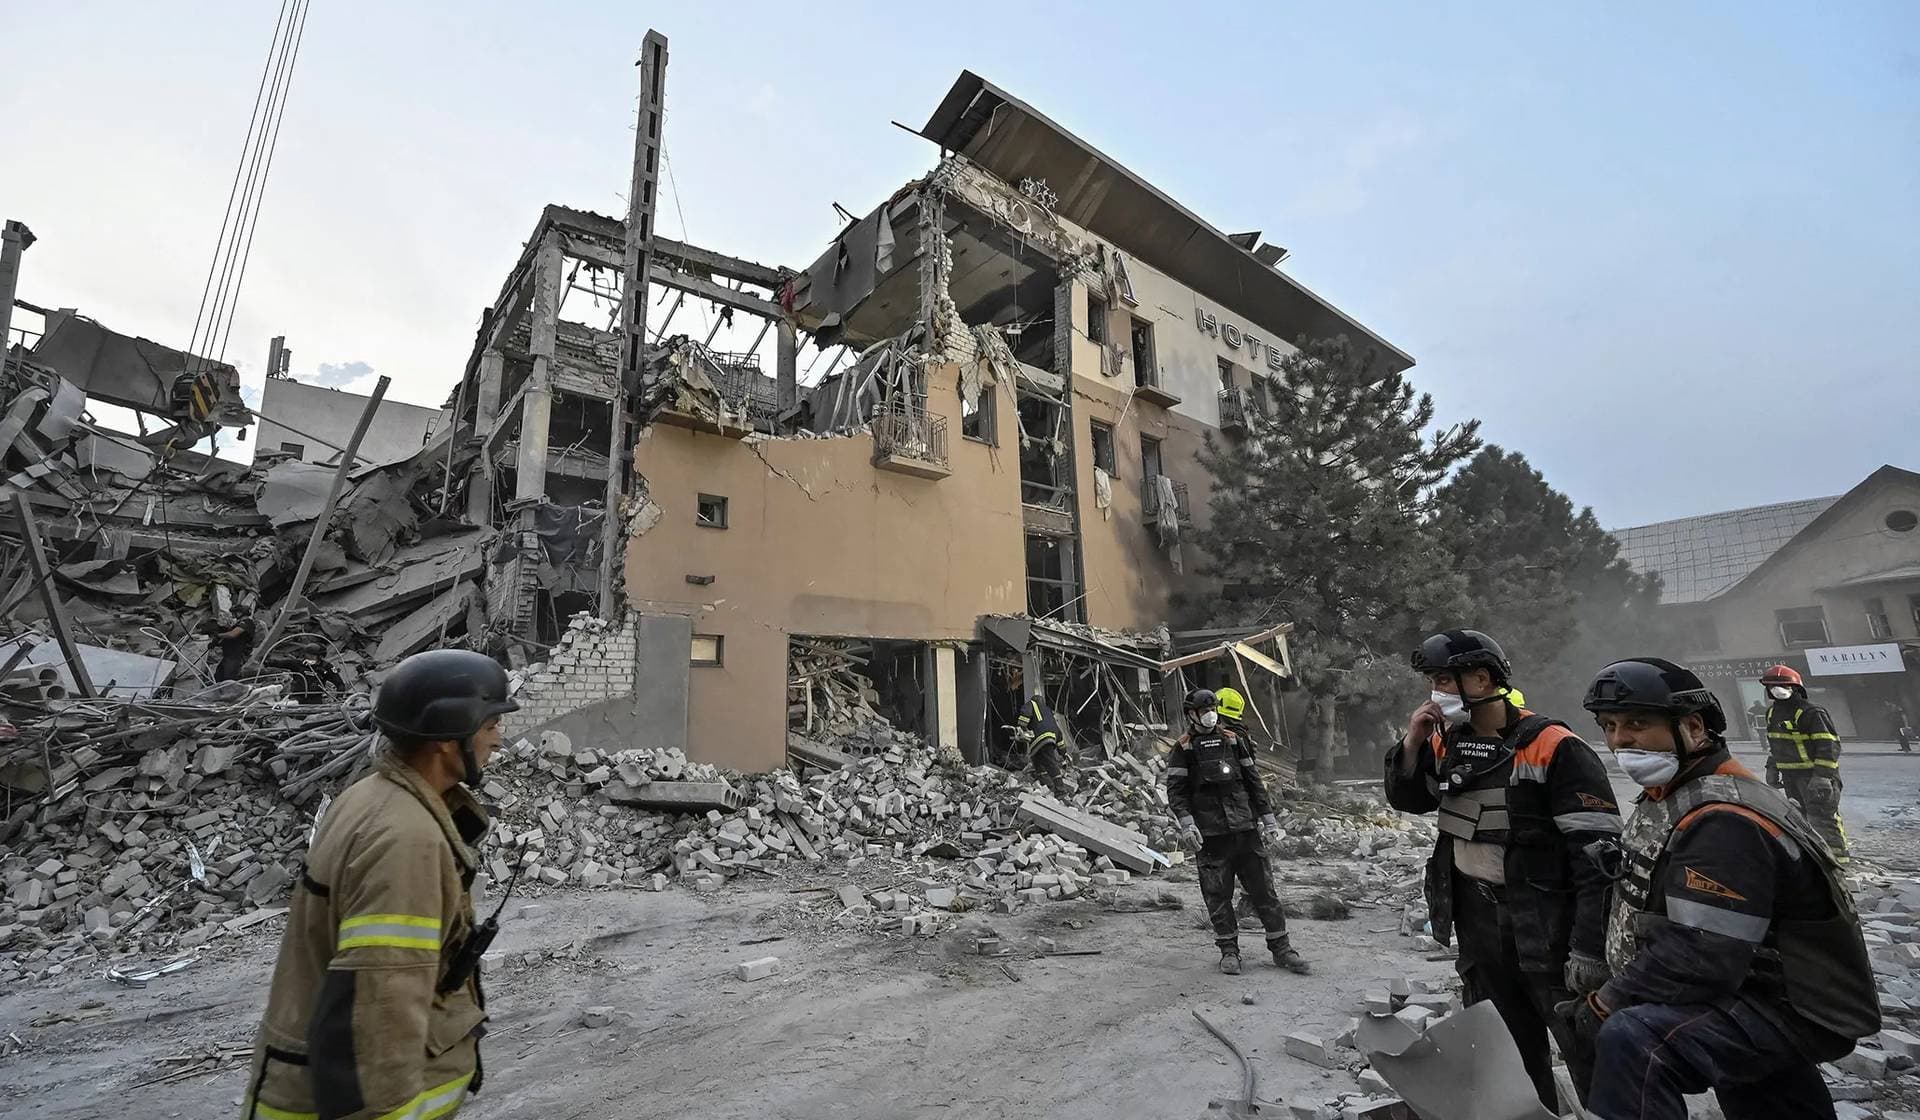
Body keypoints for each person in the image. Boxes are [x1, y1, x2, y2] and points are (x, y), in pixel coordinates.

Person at [1570, 658, 1880, 1120]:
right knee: (1770, 1099)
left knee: (1634, 1038)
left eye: (1637, 723)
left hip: (1781, 1003)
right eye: (1610, 725)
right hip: (1752, 985)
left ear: (1693, 727)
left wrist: (1607, 1001)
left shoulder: (1724, 819)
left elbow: (1701, 955)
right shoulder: (1680, 793)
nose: (1619, 740)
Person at [243, 649, 518, 1120]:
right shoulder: (403, 840)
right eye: (490, 724)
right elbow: (379, 1005)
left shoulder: (372, 797)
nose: (499, 736)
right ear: (448, 738)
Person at [1383, 629, 1620, 1110]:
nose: (1437, 693)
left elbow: (1598, 859)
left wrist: (1589, 948)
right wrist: (1411, 742)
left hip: (1546, 922)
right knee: (1504, 1050)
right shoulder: (1446, 741)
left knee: (1585, 1045)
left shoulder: (1554, 745)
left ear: (1482, 678)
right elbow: (1410, 799)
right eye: (1433, 681)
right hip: (1478, 918)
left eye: (1446, 681)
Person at [1166, 687, 1309, 976]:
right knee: (1217, 896)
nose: (1209, 715)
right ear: (1192, 715)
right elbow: (1176, 792)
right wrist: (1187, 823)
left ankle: (1282, 950)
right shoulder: (1183, 749)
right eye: (1203, 711)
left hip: (1245, 830)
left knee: (1264, 892)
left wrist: (1268, 819)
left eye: (1212, 709)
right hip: (1211, 837)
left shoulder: (1233, 741)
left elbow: (1253, 781)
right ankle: (1229, 952)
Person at [1760, 665, 1849, 861]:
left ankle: (1838, 863)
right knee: (1800, 819)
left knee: (1823, 819)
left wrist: (1822, 777)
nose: (1778, 690)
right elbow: (1775, 744)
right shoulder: (1772, 713)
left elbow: (1828, 745)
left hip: (1814, 777)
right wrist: (1772, 768)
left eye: (1783, 686)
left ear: (1796, 687)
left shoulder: (1811, 712)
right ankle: (1814, 859)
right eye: (1773, 687)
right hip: (1791, 778)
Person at [1015, 688, 1071, 795]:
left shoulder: (1032, 704)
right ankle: (1047, 786)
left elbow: (1025, 714)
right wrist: (1063, 753)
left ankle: (1060, 789)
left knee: (1050, 763)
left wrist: (1021, 727)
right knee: (1038, 762)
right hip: (1049, 739)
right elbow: (1059, 736)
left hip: (1039, 739)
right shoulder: (1049, 713)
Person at [208, 613, 258, 682]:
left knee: (228, 680)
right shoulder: (237, 624)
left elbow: (232, 634)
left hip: (236, 657)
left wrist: (218, 635)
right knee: (218, 678)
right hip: (228, 657)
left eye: (235, 612)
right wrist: (217, 643)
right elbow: (231, 638)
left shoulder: (248, 622)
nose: (233, 615)